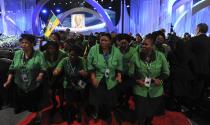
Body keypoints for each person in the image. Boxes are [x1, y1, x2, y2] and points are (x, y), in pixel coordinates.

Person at [129, 34, 170, 125]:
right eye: (142, 44)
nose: (143, 46)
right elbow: (130, 73)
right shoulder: (136, 56)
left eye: (146, 44)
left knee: (151, 112)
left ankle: (148, 122)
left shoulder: (160, 56)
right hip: (140, 88)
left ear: (152, 46)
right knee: (140, 112)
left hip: (155, 90)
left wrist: (160, 79)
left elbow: (166, 72)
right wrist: (137, 80)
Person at [3, 34, 47, 116]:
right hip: (19, 82)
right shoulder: (17, 54)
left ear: (32, 44)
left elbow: (43, 68)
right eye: (22, 42)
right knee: (20, 101)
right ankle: (21, 106)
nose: (23, 44)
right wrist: (8, 80)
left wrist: (40, 76)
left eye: (26, 43)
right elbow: (12, 68)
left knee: (32, 106)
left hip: (33, 83)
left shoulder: (39, 54)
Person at [87, 33, 123, 123]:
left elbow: (119, 65)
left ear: (110, 41)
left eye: (105, 40)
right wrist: (93, 78)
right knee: (97, 98)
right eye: (101, 40)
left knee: (108, 100)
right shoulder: (93, 49)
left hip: (111, 79)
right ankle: (96, 111)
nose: (103, 42)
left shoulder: (116, 51)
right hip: (98, 77)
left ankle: (107, 113)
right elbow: (89, 65)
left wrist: (119, 76)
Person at [53, 45, 88, 124]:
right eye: (71, 54)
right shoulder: (65, 60)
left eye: (75, 55)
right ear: (68, 53)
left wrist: (83, 73)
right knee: (69, 101)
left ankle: (80, 113)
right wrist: (56, 71)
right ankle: (70, 114)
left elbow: (86, 74)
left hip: (80, 81)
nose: (72, 57)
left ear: (78, 55)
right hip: (68, 82)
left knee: (80, 99)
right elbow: (57, 69)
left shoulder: (82, 60)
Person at [43, 41, 67, 121]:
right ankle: (54, 104)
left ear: (57, 48)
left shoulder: (62, 53)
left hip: (59, 74)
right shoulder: (44, 54)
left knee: (61, 90)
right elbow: (42, 64)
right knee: (50, 91)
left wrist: (58, 70)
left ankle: (61, 105)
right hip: (48, 74)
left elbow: (65, 63)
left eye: (52, 48)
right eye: (49, 48)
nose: (51, 50)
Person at [187, 23, 210, 106]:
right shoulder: (209, 40)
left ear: (198, 29)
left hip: (193, 69)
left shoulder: (193, 40)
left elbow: (187, 54)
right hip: (206, 69)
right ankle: (197, 104)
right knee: (201, 88)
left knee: (192, 88)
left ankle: (191, 105)